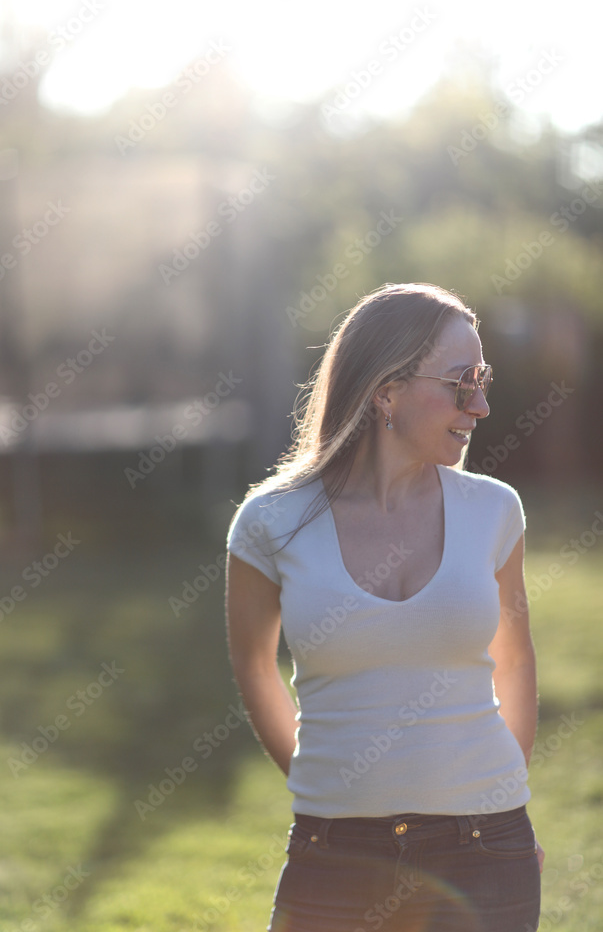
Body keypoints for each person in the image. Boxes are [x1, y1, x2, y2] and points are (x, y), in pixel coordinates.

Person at [225, 282, 543, 932]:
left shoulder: (494, 510)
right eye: (461, 383)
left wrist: (505, 803)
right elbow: (255, 669)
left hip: (488, 852)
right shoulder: (270, 521)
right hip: (332, 852)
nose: (481, 406)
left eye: (482, 381)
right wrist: (325, 784)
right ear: (386, 391)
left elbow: (514, 662)